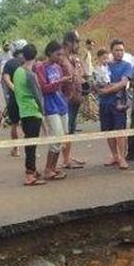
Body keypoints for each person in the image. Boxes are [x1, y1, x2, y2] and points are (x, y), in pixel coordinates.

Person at [35, 40, 71, 181]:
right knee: (55, 138)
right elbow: (43, 88)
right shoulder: (40, 67)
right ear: (50, 53)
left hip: (61, 105)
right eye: (58, 54)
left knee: (62, 139)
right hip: (50, 107)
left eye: (62, 54)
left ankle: (53, 167)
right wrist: (60, 81)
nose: (60, 57)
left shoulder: (58, 67)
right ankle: (48, 169)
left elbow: (60, 87)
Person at [97, 39, 133, 170]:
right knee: (108, 131)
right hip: (104, 103)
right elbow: (98, 81)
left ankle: (122, 158)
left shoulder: (127, 66)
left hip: (118, 104)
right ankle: (114, 155)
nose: (119, 53)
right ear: (112, 51)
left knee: (120, 131)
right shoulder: (106, 65)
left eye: (122, 50)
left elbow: (123, 83)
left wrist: (108, 90)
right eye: (117, 50)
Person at [13, 44, 46, 187]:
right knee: (32, 145)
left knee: (29, 143)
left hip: (23, 112)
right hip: (33, 112)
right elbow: (38, 96)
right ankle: (29, 174)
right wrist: (43, 112)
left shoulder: (17, 72)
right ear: (35, 56)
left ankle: (32, 169)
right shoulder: (30, 74)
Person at [58, 31, 86, 168]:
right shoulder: (61, 59)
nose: (79, 45)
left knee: (71, 128)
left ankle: (67, 156)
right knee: (67, 129)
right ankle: (66, 159)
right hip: (66, 100)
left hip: (74, 98)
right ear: (69, 43)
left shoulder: (72, 59)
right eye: (77, 42)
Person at [2, 40, 26, 157]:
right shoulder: (29, 62)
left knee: (14, 124)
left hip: (14, 98)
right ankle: (29, 149)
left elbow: (6, 79)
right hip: (27, 99)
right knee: (28, 124)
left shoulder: (9, 63)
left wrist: (15, 89)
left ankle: (16, 149)